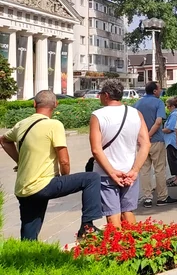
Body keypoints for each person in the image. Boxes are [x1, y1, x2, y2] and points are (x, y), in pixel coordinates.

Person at [0, 90, 101, 240]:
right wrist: (65, 178)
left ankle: (25, 258)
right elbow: (64, 160)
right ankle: (87, 227)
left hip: (23, 189)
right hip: (43, 185)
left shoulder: (22, 124)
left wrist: (20, 161)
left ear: (34, 104)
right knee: (92, 178)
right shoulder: (54, 124)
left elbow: (4, 140)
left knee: (29, 235)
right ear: (56, 104)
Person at [90, 80, 151, 227]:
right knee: (128, 211)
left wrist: (111, 172)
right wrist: (135, 171)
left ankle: (117, 247)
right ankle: (133, 244)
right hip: (129, 172)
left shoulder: (97, 115)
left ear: (106, 95)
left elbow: (96, 149)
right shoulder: (136, 113)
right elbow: (145, 144)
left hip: (105, 173)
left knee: (112, 214)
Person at [133, 81, 177, 208]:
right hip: (156, 140)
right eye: (159, 89)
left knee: (145, 170)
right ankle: (162, 197)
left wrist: (142, 137)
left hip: (141, 143)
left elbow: (134, 123)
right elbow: (158, 122)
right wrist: (149, 135)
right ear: (154, 91)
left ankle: (147, 198)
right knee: (159, 169)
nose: (161, 90)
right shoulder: (158, 103)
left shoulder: (137, 103)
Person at [163, 96, 177, 187]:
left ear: (172, 106)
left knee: (173, 159)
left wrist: (159, 130)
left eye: (168, 106)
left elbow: (170, 129)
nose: (167, 108)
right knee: (174, 159)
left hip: (172, 141)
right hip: (173, 140)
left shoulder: (175, 114)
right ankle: (176, 177)